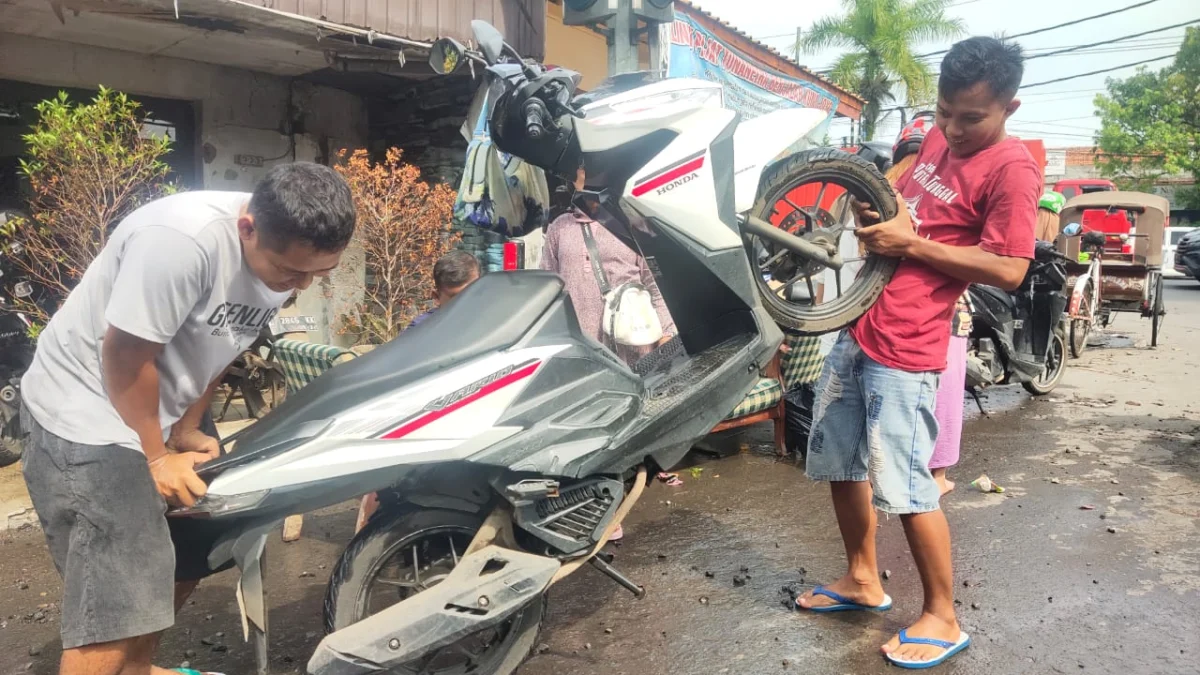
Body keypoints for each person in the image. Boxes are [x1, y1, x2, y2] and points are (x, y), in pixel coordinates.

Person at [20, 163, 357, 675]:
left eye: (320, 273)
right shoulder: (178, 241)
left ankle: (136, 667)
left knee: (190, 545)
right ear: (248, 228)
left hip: (157, 408)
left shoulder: (285, 237)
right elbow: (126, 356)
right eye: (291, 273)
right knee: (116, 593)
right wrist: (156, 459)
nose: (302, 285)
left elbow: (225, 339)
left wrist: (186, 429)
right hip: (87, 411)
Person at [797, 36, 1041, 670]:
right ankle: (862, 579)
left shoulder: (1011, 169)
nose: (953, 130)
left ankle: (941, 614)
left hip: (909, 345)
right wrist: (872, 205)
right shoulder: (936, 137)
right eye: (945, 112)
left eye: (972, 119)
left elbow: (1010, 269)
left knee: (907, 487)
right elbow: (905, 194)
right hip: (858, 321)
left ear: (1009, 107)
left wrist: (908, 246)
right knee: (838, 462)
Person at [541, 163, 676, 540]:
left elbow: (654, 283)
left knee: (627, 426)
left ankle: (614, 508)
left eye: (596, 171)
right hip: (582, 349)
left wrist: (665, 333)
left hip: (633, 347)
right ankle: (588, 505)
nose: (587, 180)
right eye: (582, 172)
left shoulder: (633, 225)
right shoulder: (559, 229)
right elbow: (549, 285)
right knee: (587, 427)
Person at [354, 249, 481, 533]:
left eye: (470, 295)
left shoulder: (496, 325)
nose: (464, 306)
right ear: (436, 297)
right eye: (454, 298)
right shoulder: (420, 331)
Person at [888, 114, 971, 497]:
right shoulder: (936, 180)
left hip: (881, 306)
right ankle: (935, 476)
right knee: (946, 390)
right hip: (942, 309)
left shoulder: (886, 189)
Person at [409, 250, 482, 328]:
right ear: (436, 297)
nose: (466, 303)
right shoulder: (419, 330)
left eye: (473, 293)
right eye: (456, 299)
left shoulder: (492, 318)